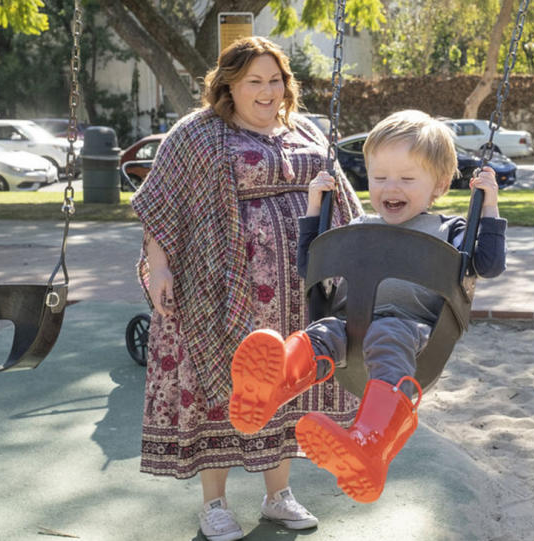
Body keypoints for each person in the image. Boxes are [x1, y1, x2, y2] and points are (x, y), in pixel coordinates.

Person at [130, 36, 363, 541]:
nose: (267, 90)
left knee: (282, 385)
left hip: (295, 296)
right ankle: (214, 505)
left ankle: (277, 496)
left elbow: (343, 202)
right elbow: (160, 205)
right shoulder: (197, 133)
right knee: (223, 391)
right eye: (254, 81)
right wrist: (160, 267)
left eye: (275, 79)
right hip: (216, 293)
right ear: (228, 85)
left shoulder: (304, 129)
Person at [228, 109, 507, 503]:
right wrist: (314, 208)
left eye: (407, 179)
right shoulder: (361, 226)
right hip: (349, 324)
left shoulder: (451, 230)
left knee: (387, 332)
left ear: (440, 184)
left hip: (414, 334)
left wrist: (489, 206)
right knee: (320, 333)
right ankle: (273, 384)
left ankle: (370, 444)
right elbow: (310, 266)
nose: (391, 187)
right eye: (379, 178)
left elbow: (490, 264)